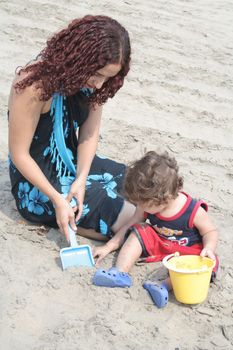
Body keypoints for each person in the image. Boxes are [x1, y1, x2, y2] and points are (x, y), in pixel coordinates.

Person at [8, 15, 135, 242]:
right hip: (38, 181)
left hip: (72, 160)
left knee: (138, 182)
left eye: (107, 78)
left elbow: (89, 133)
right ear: (79, 60)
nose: (99, 84)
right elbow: (19, 154)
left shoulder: (95, 85)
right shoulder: (33, 86)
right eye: (96, 74)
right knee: (123, 212)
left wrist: (80, 178)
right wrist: (57, 199)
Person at [92, 151, 219, 308]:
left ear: (164, 198)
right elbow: (131, 223)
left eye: (143, 204)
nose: (139, 206)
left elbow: (210, 232)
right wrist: (108, 246)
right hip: (159, 241)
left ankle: (163, 286)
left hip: (186, 250)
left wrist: (209, 248)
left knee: (209, 263)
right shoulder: (147, 203)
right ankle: (119, 273)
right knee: (138, 229)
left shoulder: (193, 210)